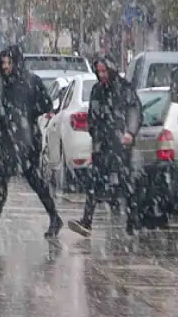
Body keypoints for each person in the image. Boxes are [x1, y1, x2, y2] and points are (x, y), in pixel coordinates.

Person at [0, 45, 63, 238]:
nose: (5, 67)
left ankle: (54, 216)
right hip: (7, 138)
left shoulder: (31, 81)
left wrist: (27, 113)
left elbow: (46, 104)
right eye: (3, 63)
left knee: (34, 179)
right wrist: (2, 113)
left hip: (28, 138)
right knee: (1, 180)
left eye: (9, 63)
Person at [68, 57, 142, 237]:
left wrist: (129, 132)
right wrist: (95, 132)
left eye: (104, 71)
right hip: (102, 144)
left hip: (120, 144)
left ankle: (133, 220)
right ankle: (86, 221)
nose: (101, 75)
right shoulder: (97, 90)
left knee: (126, 182)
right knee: (94, 181)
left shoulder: (124, 88)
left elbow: (134, 110)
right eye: (99, 71)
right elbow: (93, 115)